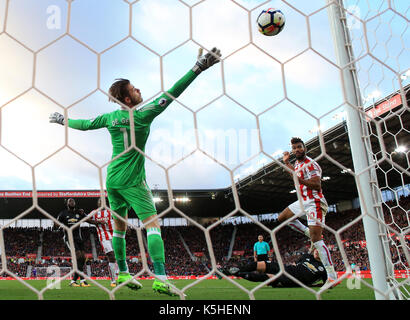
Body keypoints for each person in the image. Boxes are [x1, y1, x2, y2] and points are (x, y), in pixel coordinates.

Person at [49, 47, 222, 296]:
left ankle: (122, 273)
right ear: (128, 99)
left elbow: (85, 125)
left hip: (112, 179)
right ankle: (161, 278)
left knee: (119, 229)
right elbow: (172, 93)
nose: (139, 90)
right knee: (153, 225)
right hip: (133, 180)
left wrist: (62, 120)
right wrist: (198, 68)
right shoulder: (144, 114)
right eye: (134, 89)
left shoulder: (110, 118)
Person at [275, 137, 339, 289]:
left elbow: (317, 185)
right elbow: (294, 176)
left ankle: (332, 276)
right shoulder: (297, 163)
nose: (297, 150)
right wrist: (287, 163)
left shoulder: (311, 164)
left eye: (299, 147)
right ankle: (307, 232)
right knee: (282, 218)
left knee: (317, 240)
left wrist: (299, 179)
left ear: (305, 148)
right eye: (294, 148)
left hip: (314, 202)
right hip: (302, 201)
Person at [229, 249, 328, 288]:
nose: (317, 251)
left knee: (267, 277)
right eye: (316, 249)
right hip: (286, 268)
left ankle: (237, 274)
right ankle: (229, 271)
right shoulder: (307, 256)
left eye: (320, 250)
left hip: (294, 279)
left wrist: (314, 286)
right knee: (259, 264)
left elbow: (328, 283)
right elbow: (295, 263)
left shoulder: (324, 268)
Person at [54, 198, 90, 287]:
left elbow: (88, 219)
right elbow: (55, 227)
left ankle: (73, 281)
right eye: (70, 201)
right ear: (67, 203)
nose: (72, 202)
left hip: (79, 238)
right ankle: (83, 280)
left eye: (73, 201)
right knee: (78, 257)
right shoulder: (63, 213)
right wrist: (56, 224)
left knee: (83, 258)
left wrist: (84, 213)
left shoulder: (78, 213)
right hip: (69, 238)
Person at [86, 198, 118, 287]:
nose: (101, 203)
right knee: (111, 256)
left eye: (103, 201)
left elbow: (119, 219)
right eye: (100, 201)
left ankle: (122, 274)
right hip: (104, 237)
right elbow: (86, 219)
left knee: (118, 256)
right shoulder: (95, 212)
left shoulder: (111, 211)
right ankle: (113, 281)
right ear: (98, 204)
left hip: (115, 235)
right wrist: (97, 222)